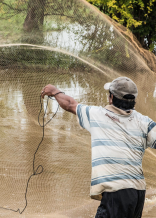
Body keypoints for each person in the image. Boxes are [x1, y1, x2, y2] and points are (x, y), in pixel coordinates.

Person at [41, 77, 156, 218]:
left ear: (111, 98)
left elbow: (70, 104)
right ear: (133, 100)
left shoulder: (98, 115)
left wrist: (54, 91)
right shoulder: (144, 122)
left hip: (116, 192)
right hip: (138, 192)